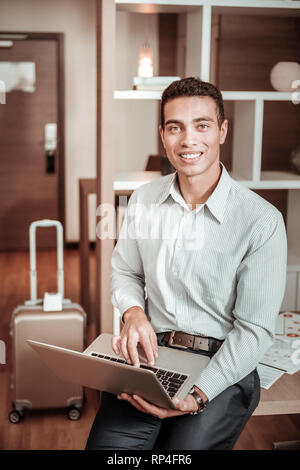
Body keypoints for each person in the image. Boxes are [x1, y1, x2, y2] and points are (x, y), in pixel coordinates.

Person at [85, 77, 287, 450]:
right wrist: (133, 313)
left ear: (222, 131)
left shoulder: (262, 221)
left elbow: (255, 331)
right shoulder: (143, 200)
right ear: (163, 134)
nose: (188, 140)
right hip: (153, 357)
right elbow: (126, 272)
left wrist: (198, 395)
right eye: (175, 127)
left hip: (223, 364)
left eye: (202, 125)